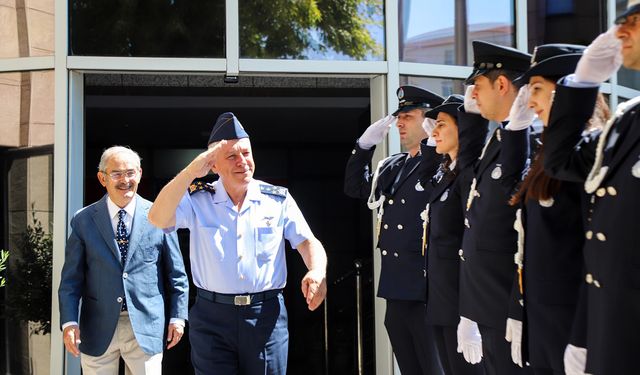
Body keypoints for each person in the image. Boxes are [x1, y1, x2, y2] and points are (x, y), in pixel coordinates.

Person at [148, 112, 328, 375]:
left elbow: (308, 242)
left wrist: (317, 271)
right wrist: (189, 173)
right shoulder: (198, 199)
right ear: (213, 166)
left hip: (265, 316)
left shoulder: (276, 199)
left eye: (246, 153)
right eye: (232, 156)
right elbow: (156, 218)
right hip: (212, 317)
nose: (242, 162)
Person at [542, 2, 640, 373]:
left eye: (633, 23)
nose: (620, 33)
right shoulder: (627, 120)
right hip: (612, 338)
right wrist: (581, 85)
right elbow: (560, 163)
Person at [502, 44, 610, 375]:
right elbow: (511, 193)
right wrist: (519, 309)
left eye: (536, 89)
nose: (529, 101)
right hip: (542, 317)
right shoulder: (547, 155)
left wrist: (583, 336)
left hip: (573, 320)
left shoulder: (592, 153)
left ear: (565, 91)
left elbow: (598, 254)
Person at [58, 146, 189, 375]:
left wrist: (178, 317)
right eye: (116, 173)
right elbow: (71, 280)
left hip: (146, 326)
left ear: (139, 173)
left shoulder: (159, 215)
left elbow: (176, 274)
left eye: (130, 173)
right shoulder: (83, 220)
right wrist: (69, 322)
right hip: (97, 327)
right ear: (102, 178)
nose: (125, 180)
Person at [344, 85, 445, 375]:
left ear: (429, 121)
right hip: (397, 289)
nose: (399, 122)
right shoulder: (395, 165)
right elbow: (355, 188)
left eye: (408, 116)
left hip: (426, 291)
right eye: (398, 116)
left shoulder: (439, 163)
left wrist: (429, 145)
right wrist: (363, 147)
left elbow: (433, 175)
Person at [455, 40, 532, 375]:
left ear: (501, 85)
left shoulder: (530, 141)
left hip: (509, 305)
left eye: (478, 87)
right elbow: (467, 175)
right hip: (488, 304)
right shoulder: (499, 141)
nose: (474, 96)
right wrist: (470, 310)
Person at [421, 94, 486, 375]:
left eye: (442, 125)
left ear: (464, 129)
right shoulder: (447, 174)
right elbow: (424, 180)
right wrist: (431, 142)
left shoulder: (468, 176)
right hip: (442, 301)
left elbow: (474, 242)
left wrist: (470, 313)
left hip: (462, 303)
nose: (434, 131)